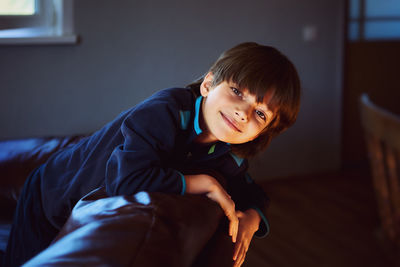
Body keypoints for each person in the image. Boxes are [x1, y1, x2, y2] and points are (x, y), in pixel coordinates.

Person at [4, 42, 301, 267]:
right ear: (208, 84)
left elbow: (253, 192)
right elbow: (127, 180)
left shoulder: (228, 155)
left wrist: (252, 218)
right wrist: (205, 183)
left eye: (260, 113)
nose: (243, 111)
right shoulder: (167, 110)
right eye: (238, 91)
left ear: (262, 131)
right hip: (49, 194)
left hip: (81, 207)